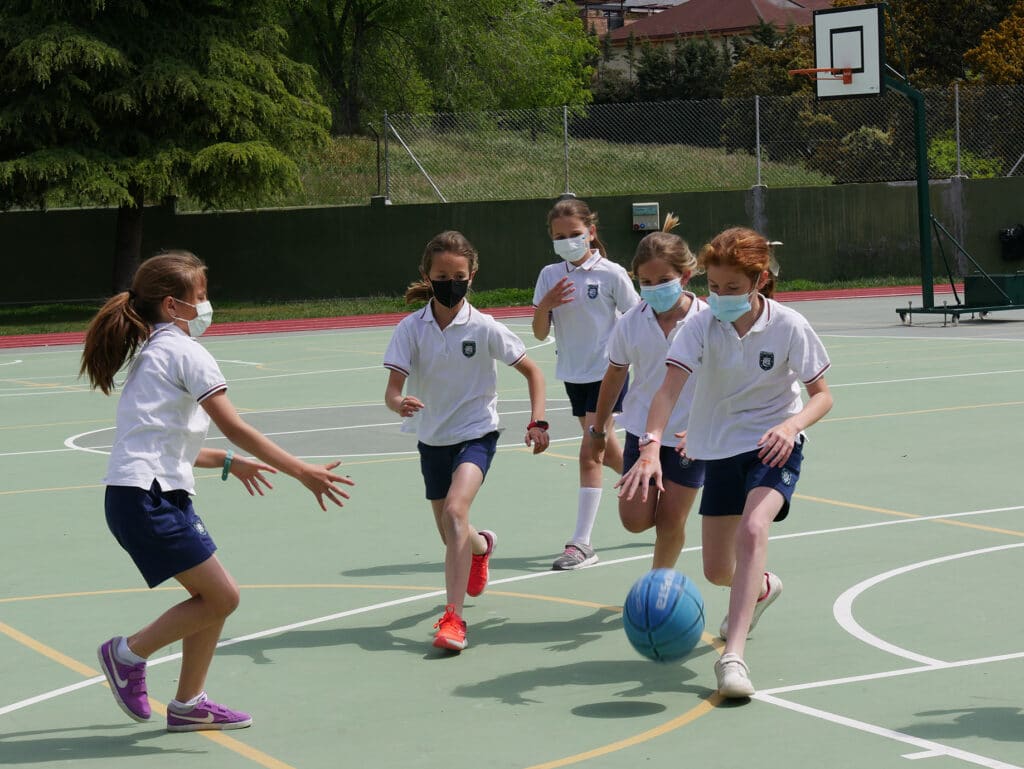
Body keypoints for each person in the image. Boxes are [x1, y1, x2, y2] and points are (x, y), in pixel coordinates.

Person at [80, 251, 355, 732]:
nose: (207, 306)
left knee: (212, 598)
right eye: (201, 297)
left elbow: (165, 441)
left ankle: (188, 704)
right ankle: (126, 654)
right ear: (172, 305)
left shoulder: (155, 353)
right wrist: (301, 472)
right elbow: (235, 426)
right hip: (147, 498)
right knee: (222, 597)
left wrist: (228, 464)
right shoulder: (184, 352)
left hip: (146, 493)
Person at [617, 227, 833, 699]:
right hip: (719, 448)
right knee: (718, 569)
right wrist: (650, 446)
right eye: (713, 288)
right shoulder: (699, 325)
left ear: (758, 281)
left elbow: (823, 397)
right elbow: (668, 389)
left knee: (755, 528)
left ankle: (732, 656)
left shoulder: (788, 325)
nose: (720, 297)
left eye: (732, 289)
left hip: (774, 444)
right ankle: (760, 587)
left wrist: (791, 426)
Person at [383, 230, 549, 652]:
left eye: (459, 275)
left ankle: (453, 618)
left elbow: (534, 371)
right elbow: (391, 390)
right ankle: (482, 546)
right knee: (452, 531)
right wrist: (399, 402)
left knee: (456, 510)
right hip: (432, 439)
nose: (450, 283)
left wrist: (538, 420)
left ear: (472, 275)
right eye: (442, 275)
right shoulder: (409, 329)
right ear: (427, 275)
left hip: (476, 434)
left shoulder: (485, 327)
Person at [589, 214, 706, 570]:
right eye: (646, 281)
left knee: (672, 521)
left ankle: (660, 588)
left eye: (664, 280)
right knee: (635, 519)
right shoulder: (631, 322)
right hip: (641, 431)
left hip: (690, 436)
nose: (655, 287)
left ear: (684, 277)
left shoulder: (706, 321)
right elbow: (614, 375)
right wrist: (599, 427)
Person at [532, 197, 639, 570]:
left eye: (575, 234)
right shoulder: (549, 275)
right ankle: (656, 485)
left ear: (591, 232)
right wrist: (544, 304)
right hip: (573, 375)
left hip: (609, 374)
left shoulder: (611, 274)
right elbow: (540, 331)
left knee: (588, 452)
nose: (568, 241)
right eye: (560, 236)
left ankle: (581, 544)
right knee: (608, 451)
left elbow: (637, 316)